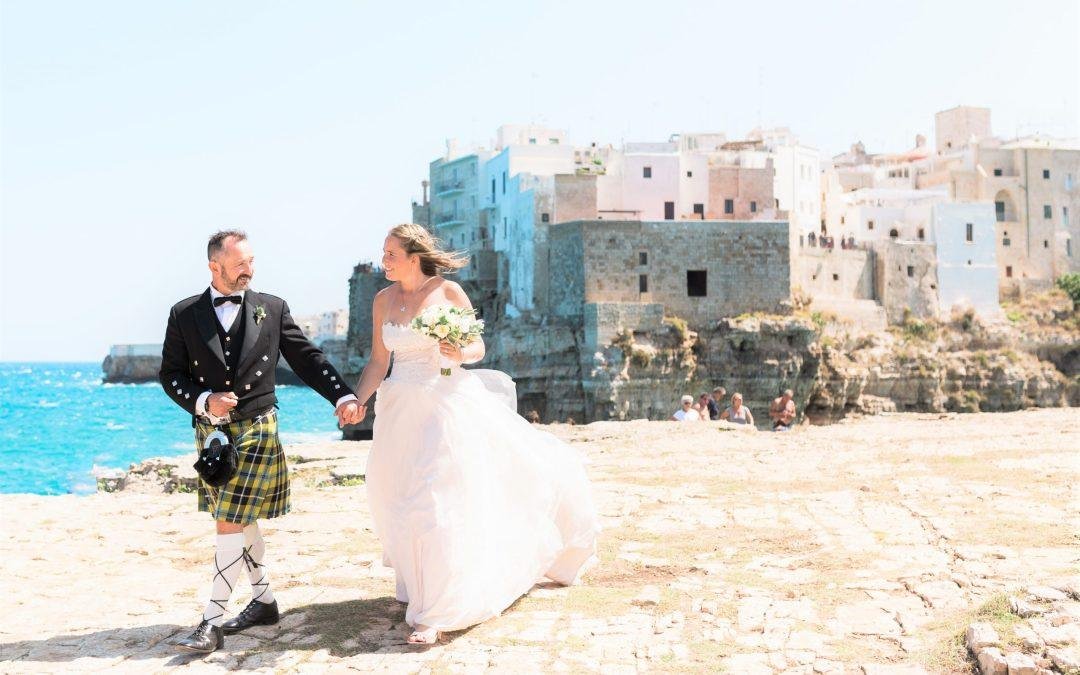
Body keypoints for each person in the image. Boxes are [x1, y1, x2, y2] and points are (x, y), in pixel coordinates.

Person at [351, 224, 599, 645]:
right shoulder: (382, 300)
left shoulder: (447, 293)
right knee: (398, 497)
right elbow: (378, 360)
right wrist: (357, 401)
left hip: (443, 404)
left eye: (391, 253)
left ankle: (438, 612)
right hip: (398, 411)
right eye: (383, 252)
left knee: (436, 502)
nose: (384, 260)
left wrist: (457, 352)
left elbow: (477, 348)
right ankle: (419, 585)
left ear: (415, 256)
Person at [159, 230, 362, 654]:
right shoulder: (184, 314)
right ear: (215, 267)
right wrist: (203, 400)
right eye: (238, 264)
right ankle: (264, 601)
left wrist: (341, 394)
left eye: (251, 261)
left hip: (258, 428)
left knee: (229, 519)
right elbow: (171, 375)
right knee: (241, 518)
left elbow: (306, 357)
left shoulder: (272, 308)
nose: (248, 270)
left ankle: (211, 621)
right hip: (214, 435)